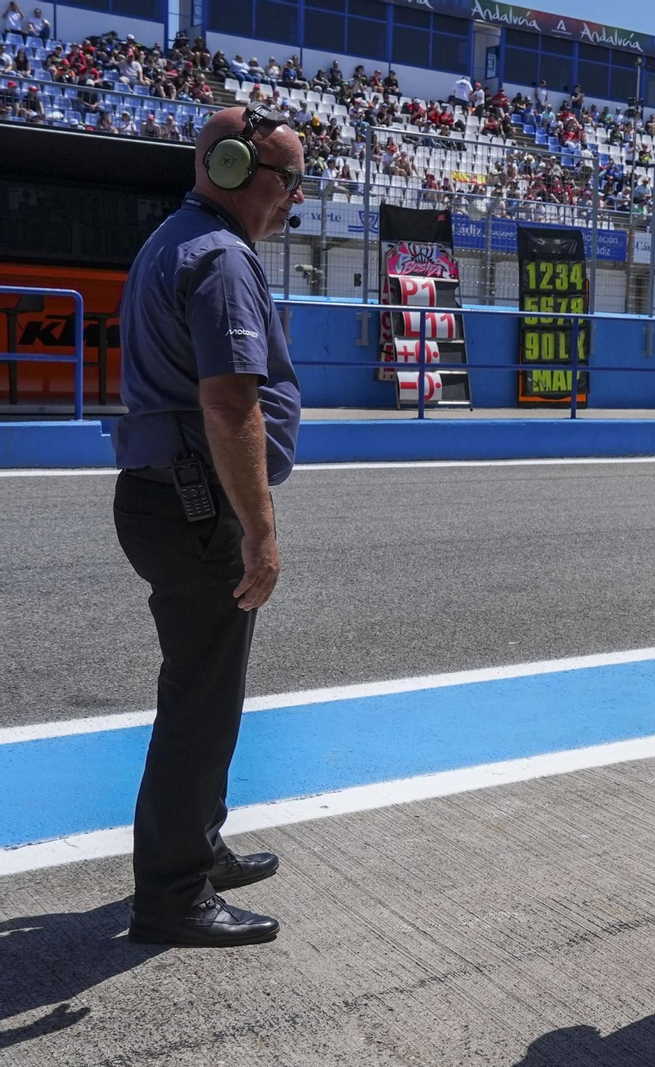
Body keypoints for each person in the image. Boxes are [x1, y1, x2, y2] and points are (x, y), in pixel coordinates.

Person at [112, 104, 304, 947]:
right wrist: (259, 530)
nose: (294, 199)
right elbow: (229, 404)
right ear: (237, 170)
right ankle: (172, 894)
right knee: (198, 700)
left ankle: (199, 844)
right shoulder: (222, 258)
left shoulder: (176, 238)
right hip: (196, 502)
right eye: (290, 180)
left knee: (205, 689)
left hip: (167, 493)